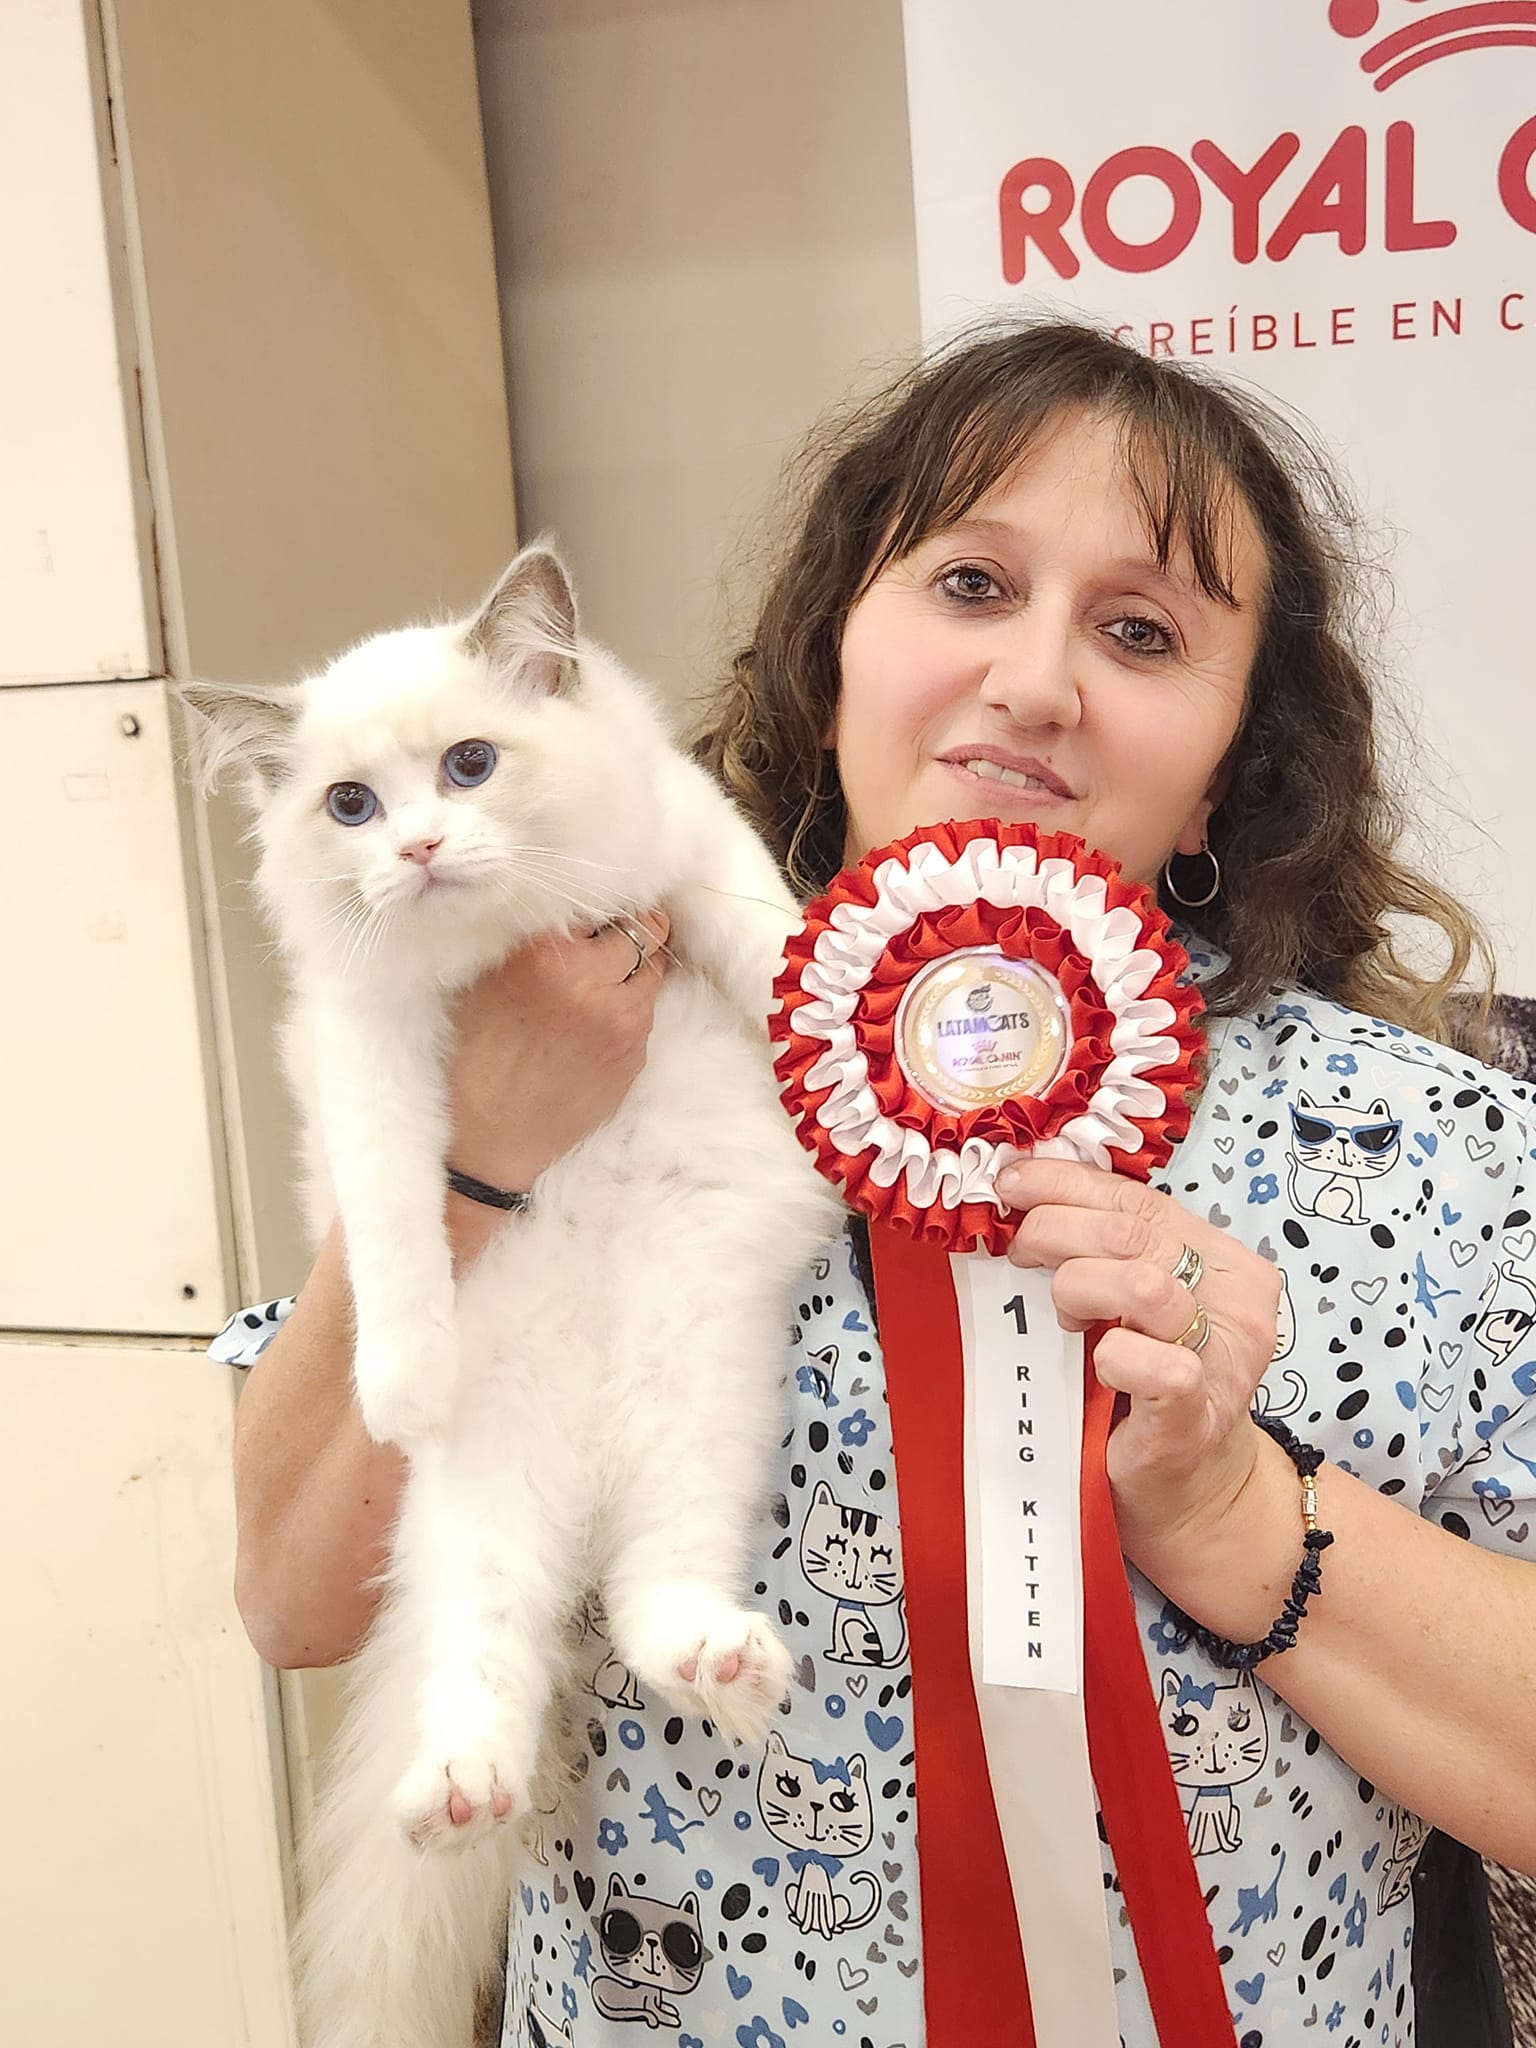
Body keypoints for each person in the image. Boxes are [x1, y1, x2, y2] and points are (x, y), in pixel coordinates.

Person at [217, 321, 1536, 2047]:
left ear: (1231, 761)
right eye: (972, 585)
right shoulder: (551, 1014)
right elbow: (293, 1601)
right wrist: (484, 1157)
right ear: (834, 652)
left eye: (1142, 631)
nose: (1038, 681)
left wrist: (1237, 1514)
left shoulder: (1441, 1144)